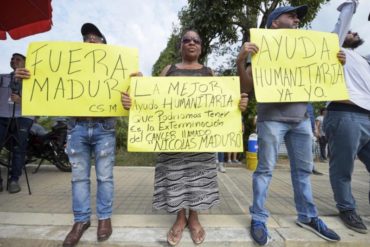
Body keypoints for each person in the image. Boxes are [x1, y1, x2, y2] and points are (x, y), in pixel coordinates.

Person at [122, 29, 248, 246]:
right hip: (172, 138)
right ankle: (180, 218)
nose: (191, 43)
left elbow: (222, 106)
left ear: (200, 47)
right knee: (175, 179)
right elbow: (152, 102)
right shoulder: (168, 70)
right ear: (180, 46)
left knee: (199, 178)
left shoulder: (210, 73)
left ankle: (195, 218)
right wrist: (135, 102)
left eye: (196, 40)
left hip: (202, 139)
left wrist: (238, 107)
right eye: (186, 40)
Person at [236, 5, 344, 245]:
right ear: (274, 22)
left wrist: (336, 63)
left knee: (303, 172)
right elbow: (246, 88)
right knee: (265, 170)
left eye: (298, 17)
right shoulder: (262, 48)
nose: (297, 19)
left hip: (302, 120)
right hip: (272, 119)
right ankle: (258, 217)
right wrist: (240, 60)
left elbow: (324, 77)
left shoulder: (309, 48)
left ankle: (307, 216)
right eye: (291, 15)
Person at [15, 23, 119, 247]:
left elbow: (129, 98)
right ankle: (81, 221)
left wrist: (136, 84)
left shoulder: (117, 68)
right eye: (86, 38)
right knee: (78, 178)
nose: (90, 40)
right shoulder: (68, 66)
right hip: (77, 128)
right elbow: (45, 86)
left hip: (104, 129)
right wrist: (27, 79)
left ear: (104, 43)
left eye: (95, 37)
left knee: (105, 177)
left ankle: (104, 217)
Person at [324, 0, 370, 234]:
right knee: (343, 169)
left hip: (368, 116)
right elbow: (342, 26)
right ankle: (347, 208)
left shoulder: (361, 59)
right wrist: (351, 5)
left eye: (354, 31)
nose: (353, 32)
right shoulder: (333, 49)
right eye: (349, 32)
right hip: (345, 114)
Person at [0, 53, 33, 194]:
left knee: (19, 150)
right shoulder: (3, 78)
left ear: (26, 63)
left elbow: (38, 101)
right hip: (2, 117)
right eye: (12, 58)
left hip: (23, 118)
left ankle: (14, 180)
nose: (14, 61)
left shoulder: (32, 79)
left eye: (18, 59)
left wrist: (22, 100)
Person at [307, 103, 323, 175]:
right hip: (305, 127)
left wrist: (315, 130)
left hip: (308, 129)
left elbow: (311, 117)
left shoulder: (309, 105)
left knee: (311, 150)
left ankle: (311, 167)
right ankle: (311, 168)